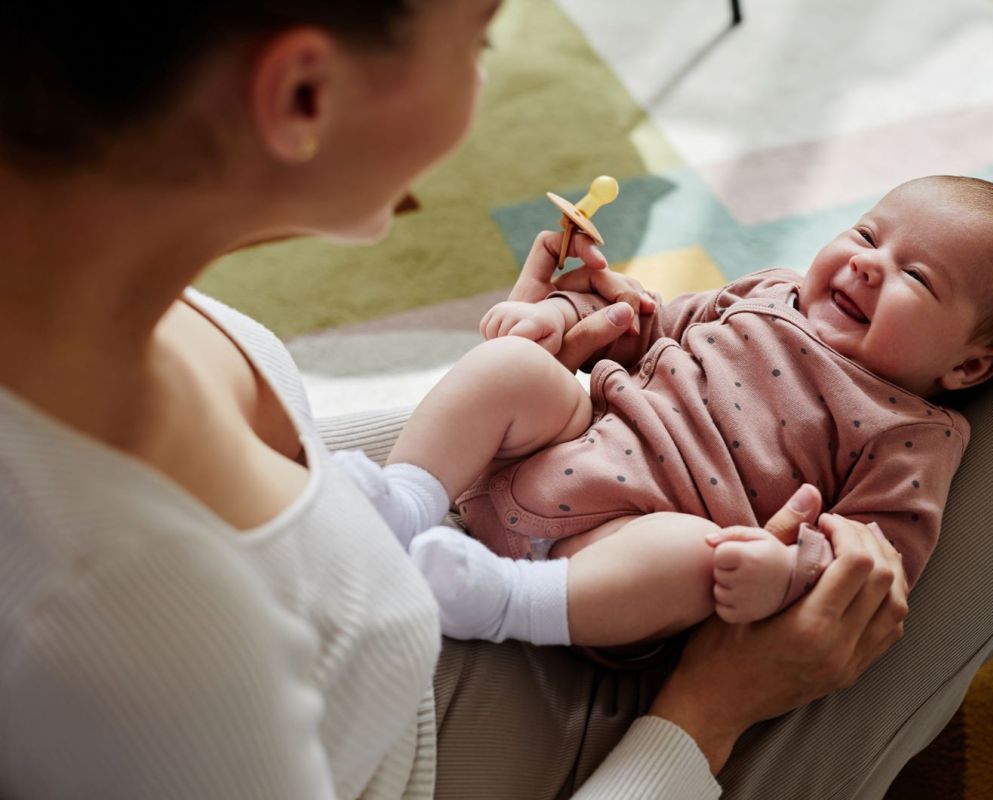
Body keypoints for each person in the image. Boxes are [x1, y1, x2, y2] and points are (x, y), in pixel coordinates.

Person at [0, 2, 909, 798]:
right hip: (451, 746)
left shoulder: (84, 302)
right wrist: (712, 712)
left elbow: (288, 500)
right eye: (479, 40)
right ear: (303, 95)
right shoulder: (134, 620)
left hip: (408, 581)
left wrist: (521, 397)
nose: (483, 83)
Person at [375, 175, 993, 649]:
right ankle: (402, 500)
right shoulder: (772, 290)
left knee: (693, 558)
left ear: (968, 367)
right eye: (867, 237)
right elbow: (640, 325)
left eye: (917, 278)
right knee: (515, 369)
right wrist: (558, 315)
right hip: (575, 434)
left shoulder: (915, 434)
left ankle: (504, 602)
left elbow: (872, 554)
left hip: (613, 551)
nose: (868, 265)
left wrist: (782, 573)